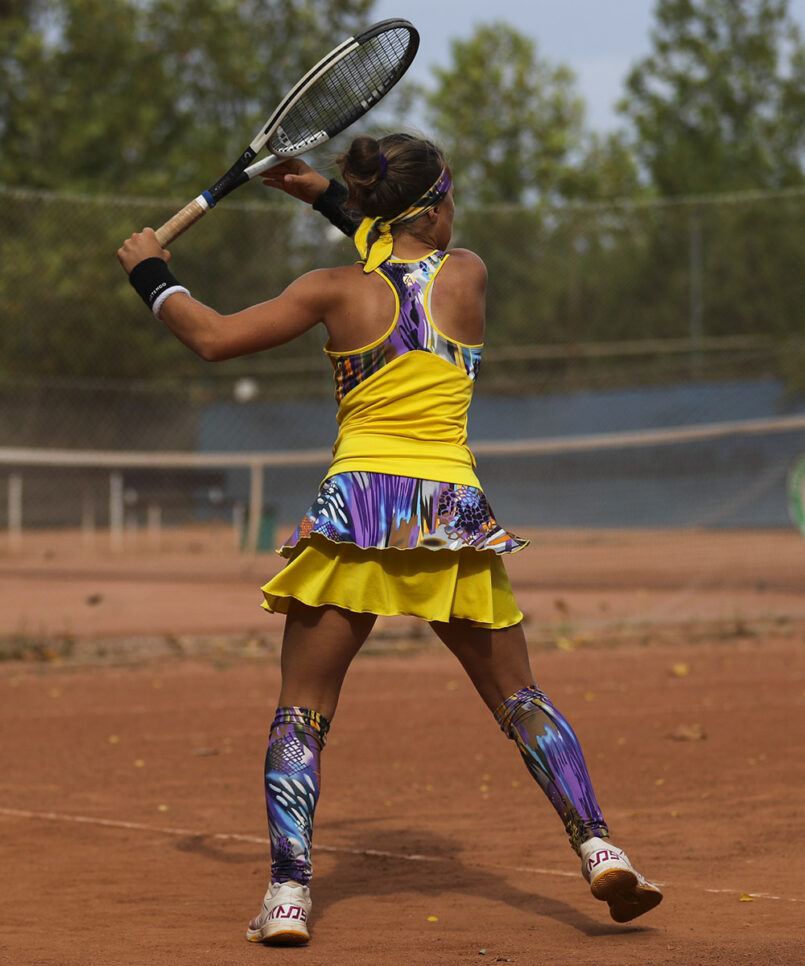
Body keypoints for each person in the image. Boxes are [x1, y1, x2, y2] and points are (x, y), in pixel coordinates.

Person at [117, 132, 662, 946]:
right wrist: (325, 198)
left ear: (372, 209)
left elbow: (212, 337)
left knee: (301, 713)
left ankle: (291, 895)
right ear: (437, 207)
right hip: (450, 513)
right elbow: (403, 249)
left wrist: (150, 273)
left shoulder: (329, 292)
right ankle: (597, 846)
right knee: (521, 700)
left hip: (358, 511)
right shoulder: (469, 273)